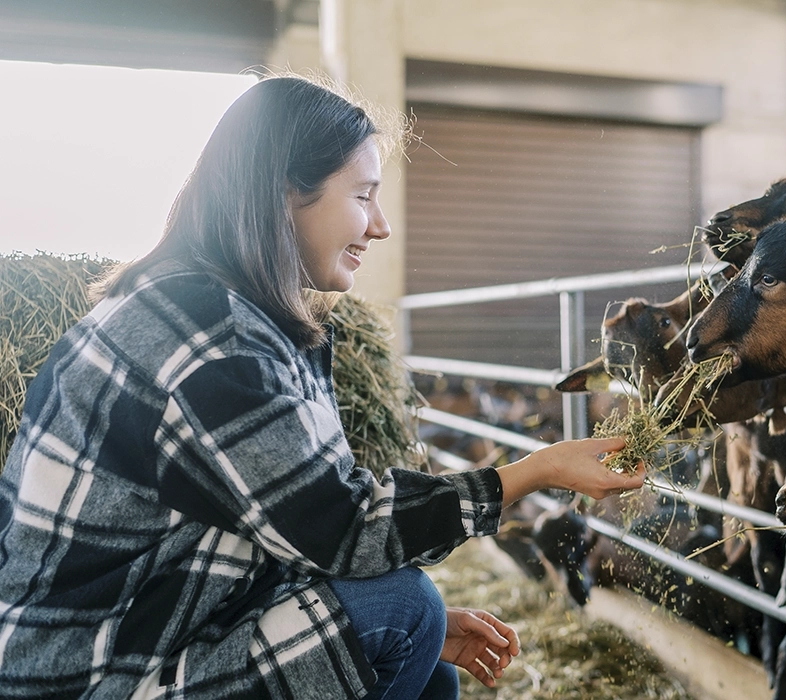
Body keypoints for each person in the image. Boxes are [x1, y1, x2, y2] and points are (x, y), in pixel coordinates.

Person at [0, 75, 645, 699]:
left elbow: (285, 526)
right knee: (405, 604)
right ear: (285, 192)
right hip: (84, 677)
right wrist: (538, 470)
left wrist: (421, 632)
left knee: (425, 657)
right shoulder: (209, 338)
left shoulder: (209, 308)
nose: (381, 224)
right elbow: (343, 528)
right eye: (363, 195)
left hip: (149, 632)